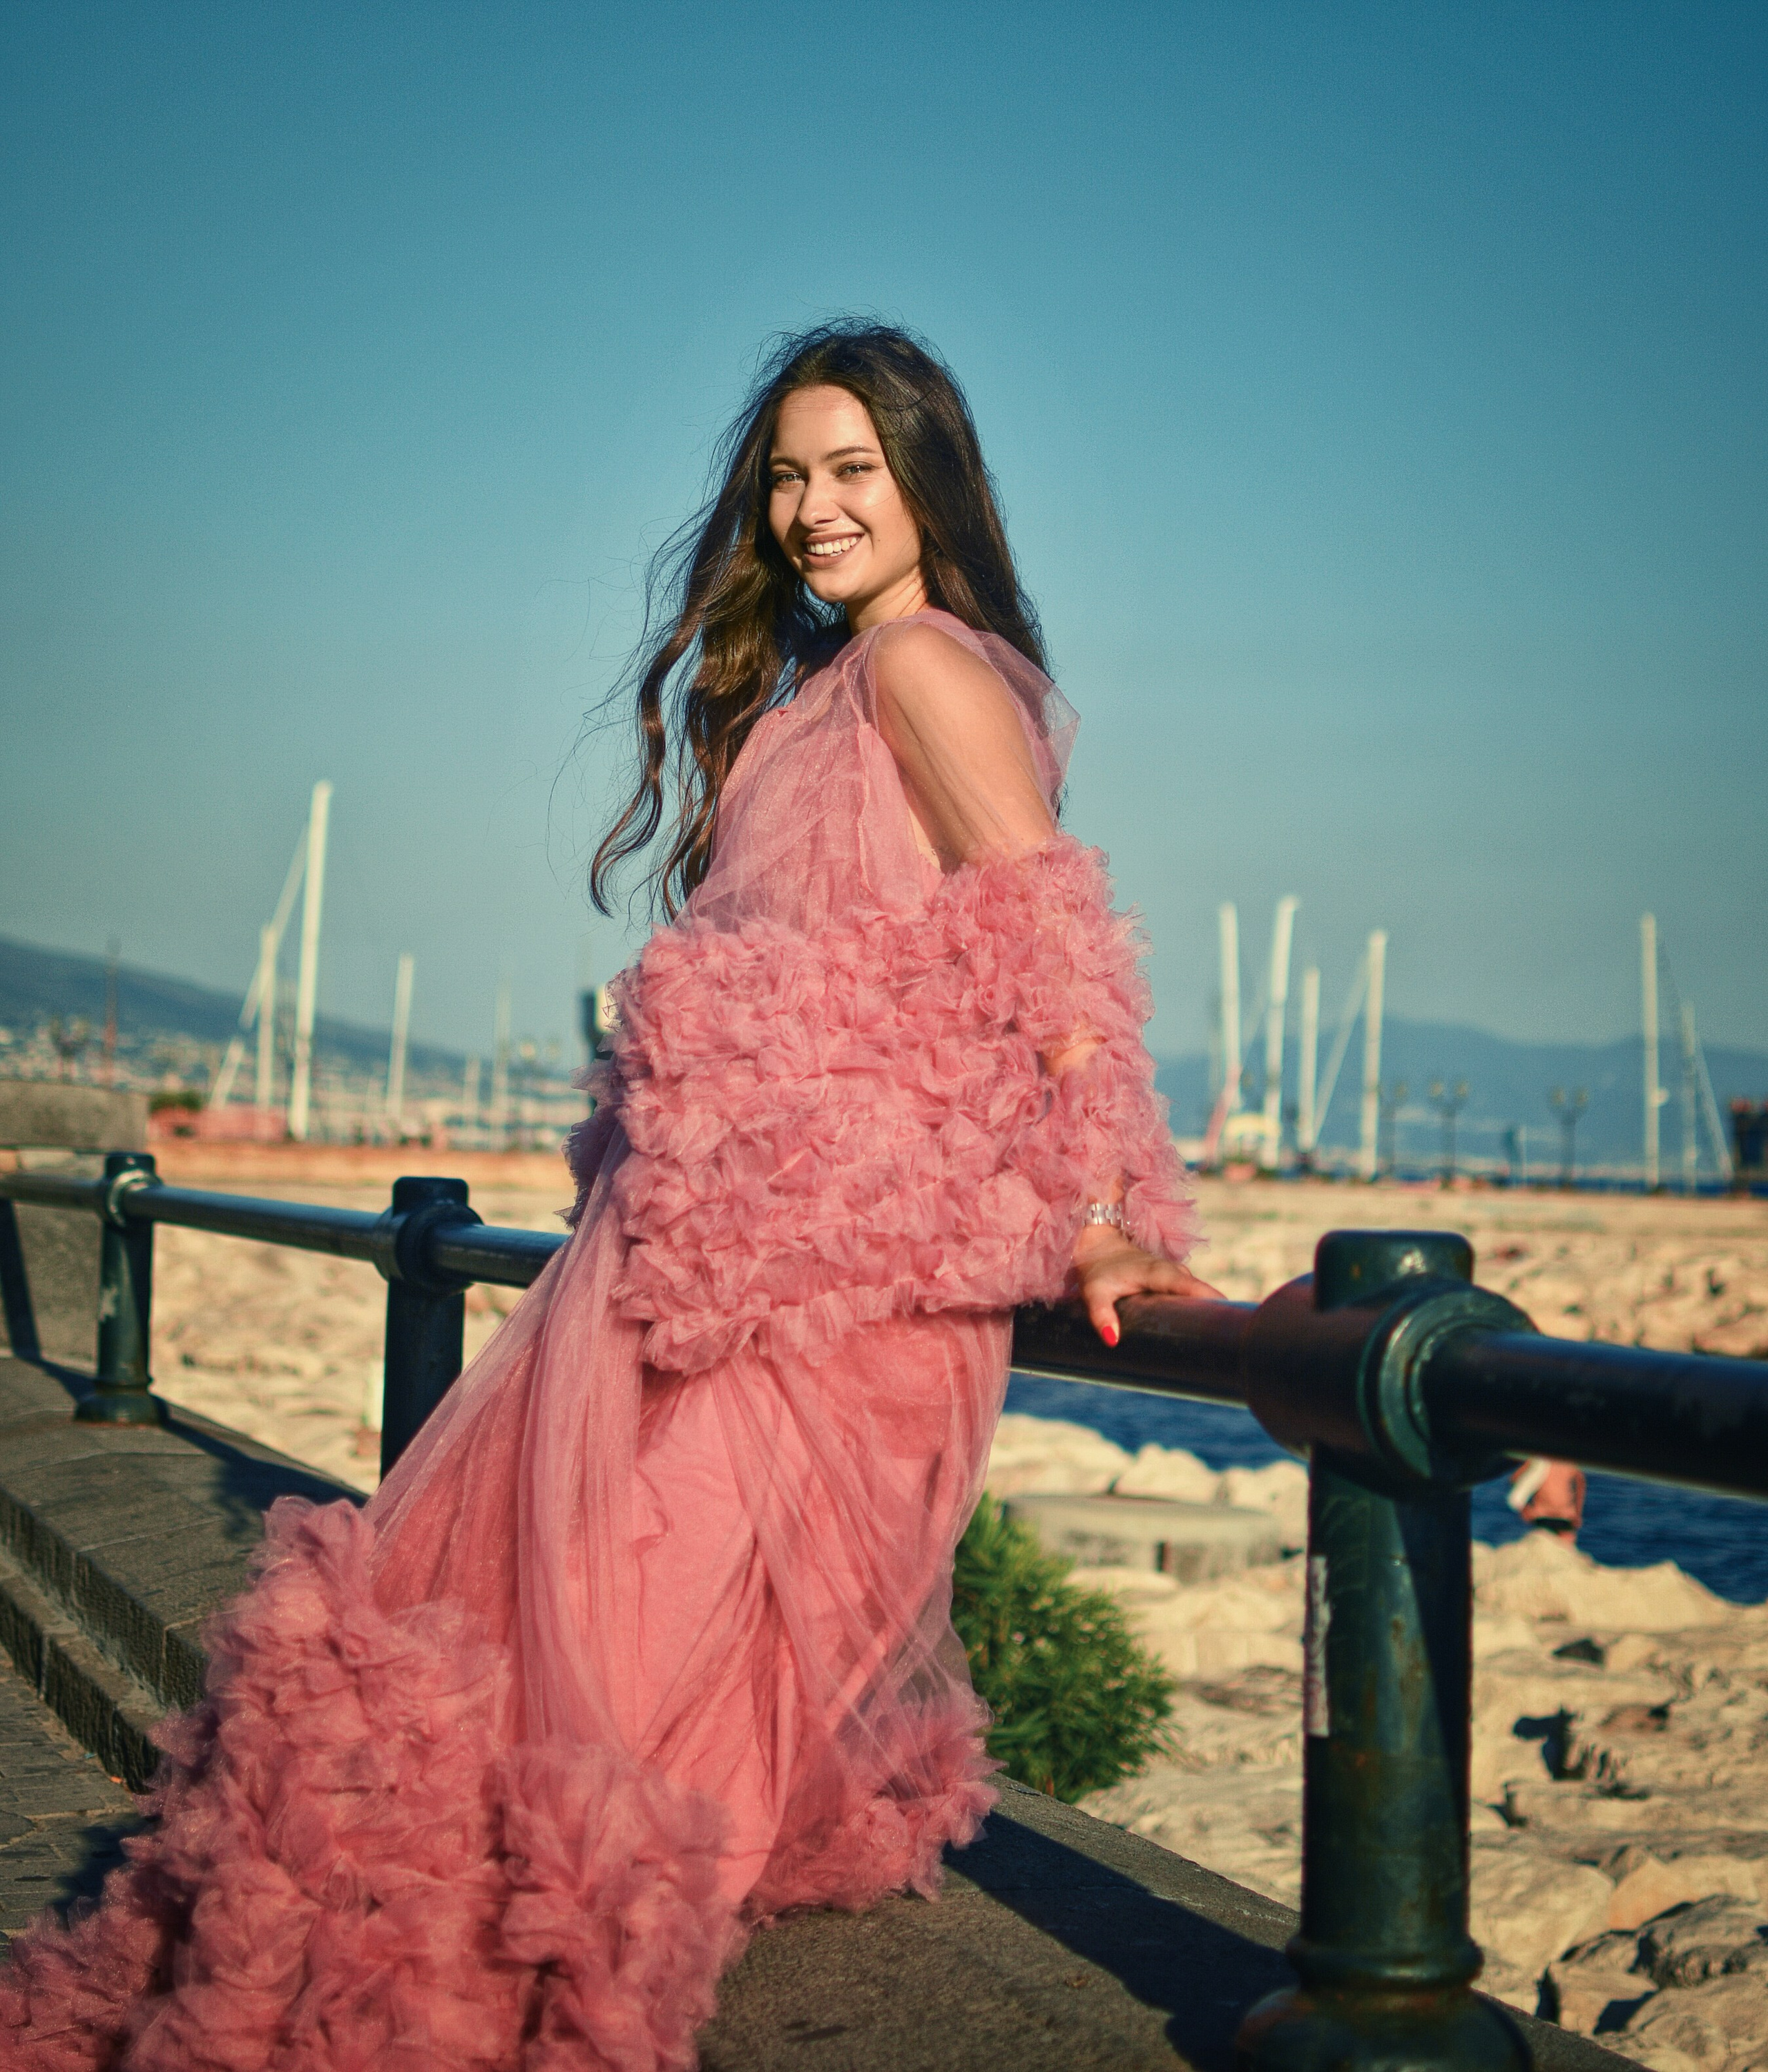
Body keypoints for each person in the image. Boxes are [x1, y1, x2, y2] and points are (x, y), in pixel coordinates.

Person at [0, 323, 1213, 2071]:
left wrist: (1105, 1200)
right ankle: (471, 1974)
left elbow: (1050, 947)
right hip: (718, 1242)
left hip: (838, 1271)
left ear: (927, 479)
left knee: (637, 1645)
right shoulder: (811, 695)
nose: (809, 510)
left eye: (850, 471)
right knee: (581, 1623)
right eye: (784, 478)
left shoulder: (923, 672)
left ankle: (506, 1983)